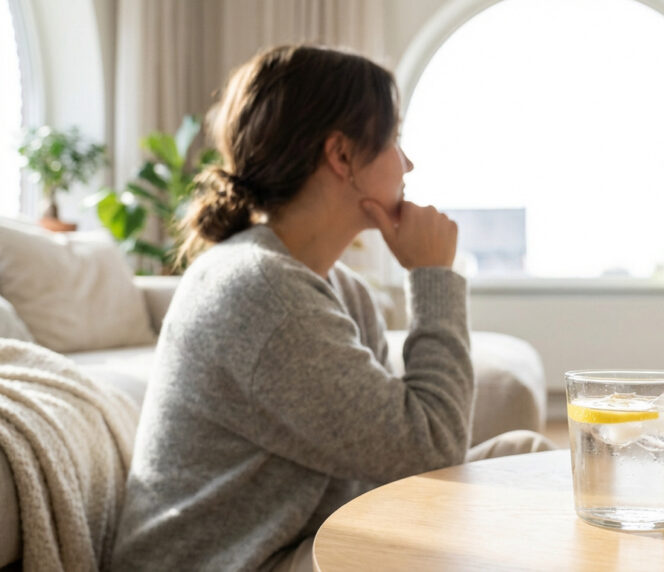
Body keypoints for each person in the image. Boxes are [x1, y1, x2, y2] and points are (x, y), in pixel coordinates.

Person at [112, 44, 554, 572]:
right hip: (235, 563)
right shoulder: (262, 291)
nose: (408, 163)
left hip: (302, 537)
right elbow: (431, 446)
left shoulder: (338, 287)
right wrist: (433, 276)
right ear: (341, 155)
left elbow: (396, 459)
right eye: (394, 140)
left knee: (524, 459)